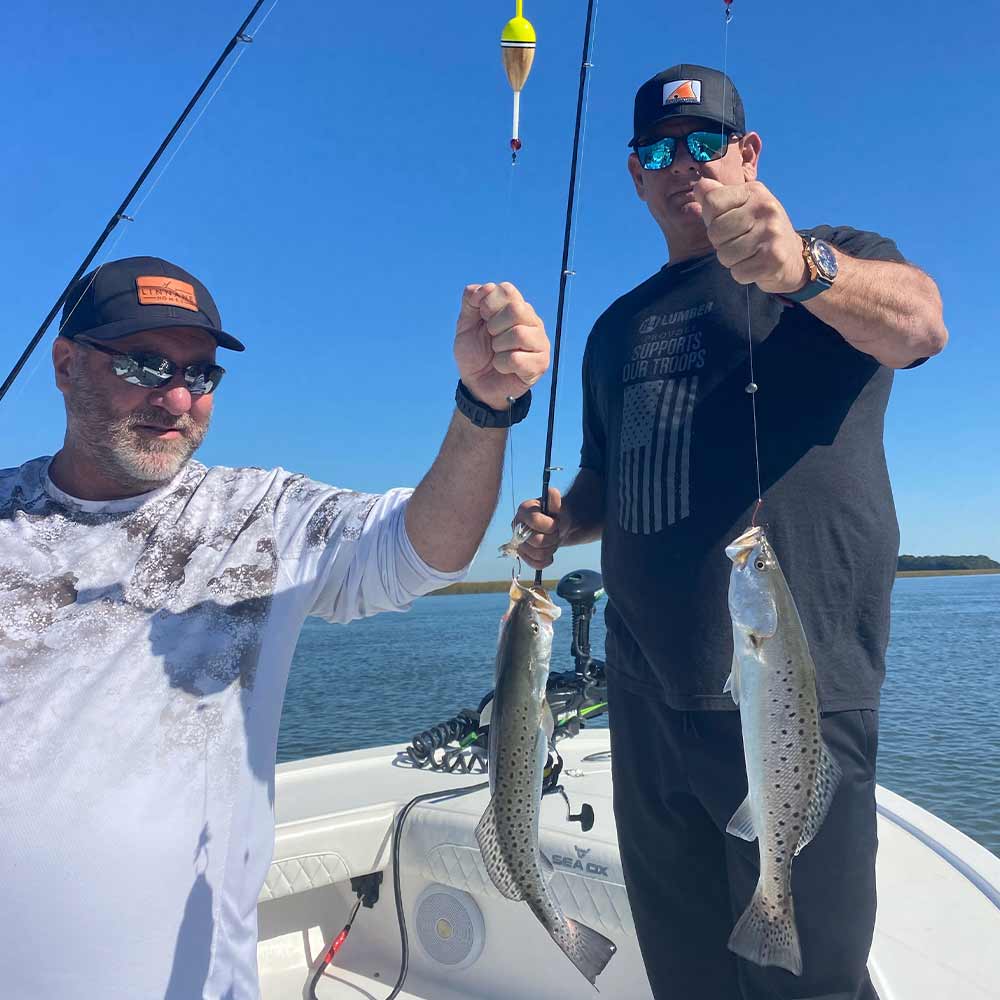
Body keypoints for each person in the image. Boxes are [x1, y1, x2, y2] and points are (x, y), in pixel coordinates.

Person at [0, 255, 550, 999]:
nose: (176, 396)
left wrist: (483, 408)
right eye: (145, 363)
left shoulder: (259, 518)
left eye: (200, 376)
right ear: (65, 365)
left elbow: (423, 549)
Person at [514, 64, 947, 1000]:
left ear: (748, 154)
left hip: (798, 685)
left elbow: (920, 327)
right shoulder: (614, 329)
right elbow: (607, 479)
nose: (685, 166)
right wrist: (562, 520)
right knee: (688, 972)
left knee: (811, 979)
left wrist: (803, 270)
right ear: (636, 175)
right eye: (659, 151)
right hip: (646, 698)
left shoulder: (833, 256)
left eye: (707, 143)